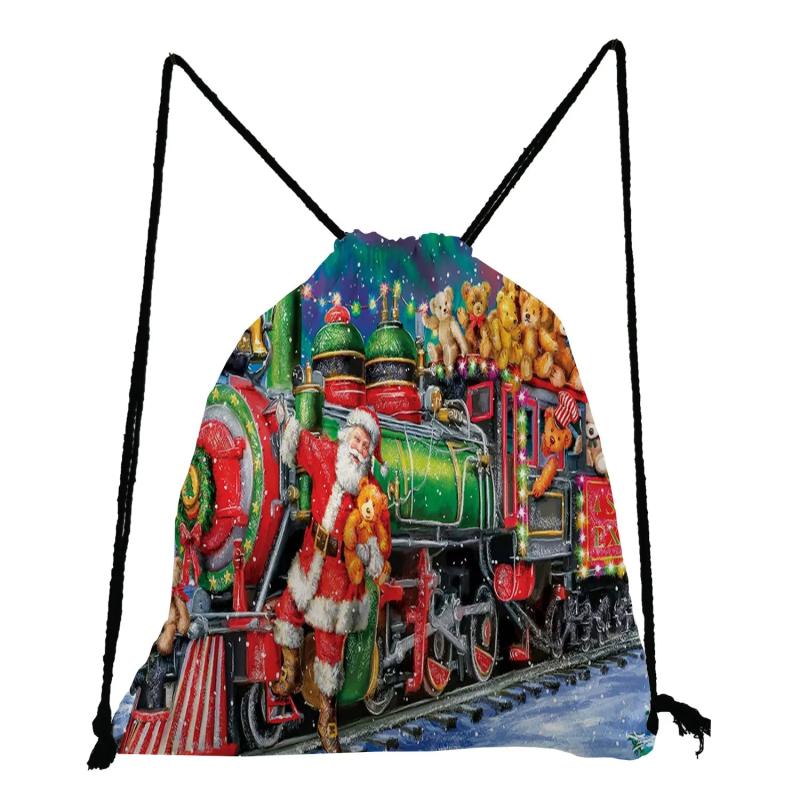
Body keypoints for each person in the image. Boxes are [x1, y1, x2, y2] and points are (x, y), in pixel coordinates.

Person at [270, 403, 390, 752]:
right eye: (357, 439)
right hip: (312, 555)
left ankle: (327, 719)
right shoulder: (326, 454)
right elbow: (299, 442)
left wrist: (371, 554)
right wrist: (286, 419)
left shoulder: (369, 490)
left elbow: (380, 532)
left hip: (339, 572)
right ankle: (291, 673)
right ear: (347, 435)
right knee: (287, 611)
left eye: (366, 445)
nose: (359, 448)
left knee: (329, 651)